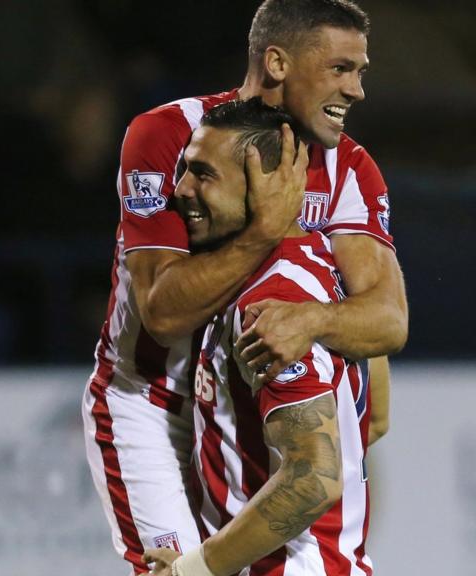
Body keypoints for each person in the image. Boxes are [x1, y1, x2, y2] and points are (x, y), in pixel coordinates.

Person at [81, 1, 407, 573]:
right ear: (277, 62)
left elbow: (387, 319)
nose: (356, 90)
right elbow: (162, 315)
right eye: (340, 69)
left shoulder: (350, 168)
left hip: (245, 408)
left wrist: (313, 320)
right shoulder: (170, 136)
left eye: (360, 71)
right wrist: (263, 232)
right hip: (152, 403)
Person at [145, 98, 371, 576]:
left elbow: (313, 478)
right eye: (184, 170)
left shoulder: (271, 303)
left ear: (263, 183)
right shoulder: (324, 272)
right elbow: (380, 413)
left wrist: (194, 571)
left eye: (203, 174)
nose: (181, 189)